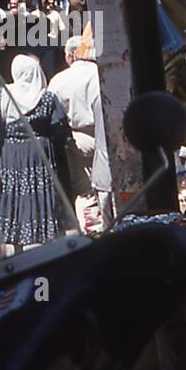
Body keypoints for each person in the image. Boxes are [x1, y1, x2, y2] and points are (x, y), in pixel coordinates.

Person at [0, 54, 72, 247]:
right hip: (41, 154)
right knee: (40, 193)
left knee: (14, 195)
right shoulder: (46, 98)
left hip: (10, 155)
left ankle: (17, 244)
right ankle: (46, 241)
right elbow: (60, 131)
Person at [48, 34, 110, 230]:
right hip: (104, 136)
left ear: (70, 56)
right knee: (107, 186)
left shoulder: (59, 80)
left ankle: (92, 232)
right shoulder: (100, 72)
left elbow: (51, 112)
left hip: (76, 140)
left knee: (85, 192)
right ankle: (111, 224)